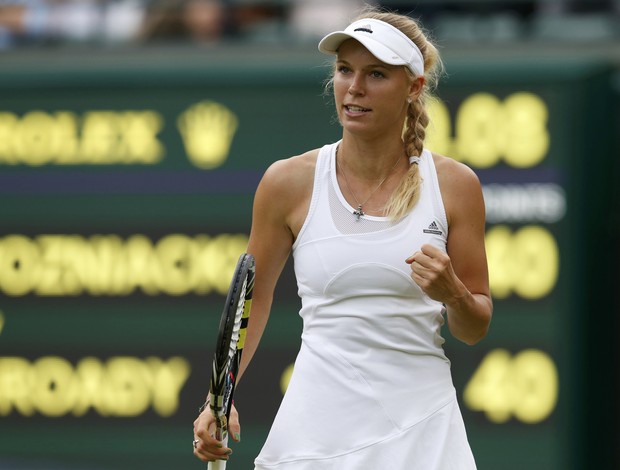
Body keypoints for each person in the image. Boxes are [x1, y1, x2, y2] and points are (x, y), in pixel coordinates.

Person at [193, 6, 492, 469]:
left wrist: (453, 293)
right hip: (315, 435)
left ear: (413, 87)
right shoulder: (286, 182)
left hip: (425, 435)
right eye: (344, 70)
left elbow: (474, 327)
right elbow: (253, 301)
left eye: (376, 74)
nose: (354, 88)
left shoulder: (456, 186)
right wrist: (218, 397)